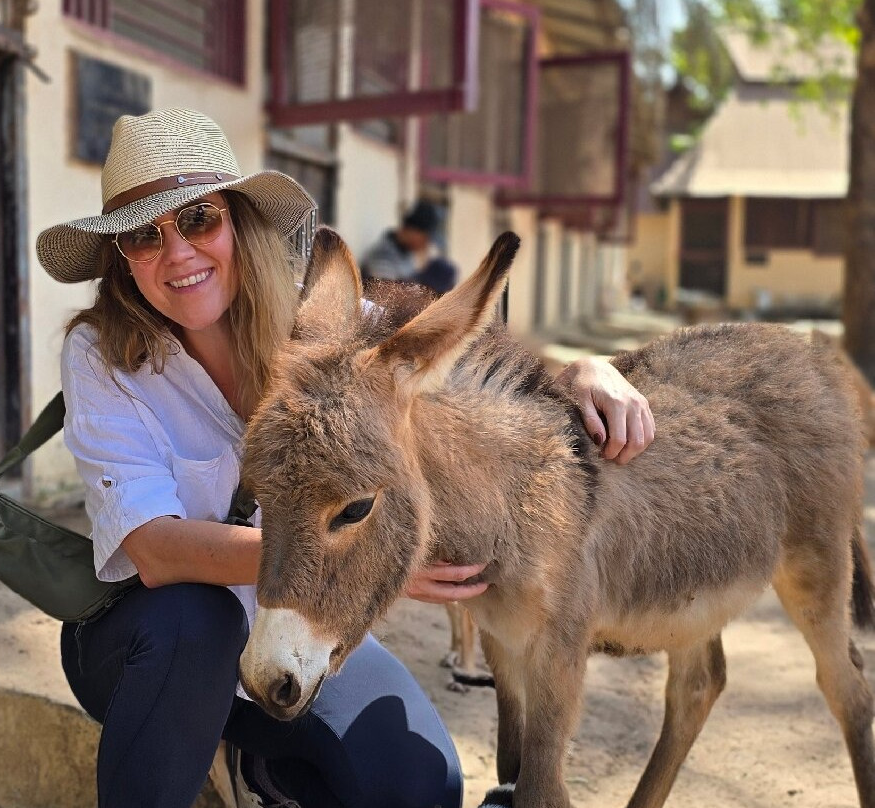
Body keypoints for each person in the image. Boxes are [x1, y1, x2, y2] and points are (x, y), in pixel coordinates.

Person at [36, 108, 655, 808]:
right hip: (149, 646)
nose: (177, 253)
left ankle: (265, 771)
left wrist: (580, 372)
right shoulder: (100, 357)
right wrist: (355, 553)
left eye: (198, 219)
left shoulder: (327, 330)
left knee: (422, 786)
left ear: (238, 221)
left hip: (285, 630)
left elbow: (443, 366)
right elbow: (153, 549)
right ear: (122, 256)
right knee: (193, 625)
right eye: (145, 235)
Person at [360, 199, 460, 294]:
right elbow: (385, 297)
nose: (425, 245)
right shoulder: (382, 255)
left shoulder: (407, 255)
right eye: (425, 239)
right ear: (414, 232)